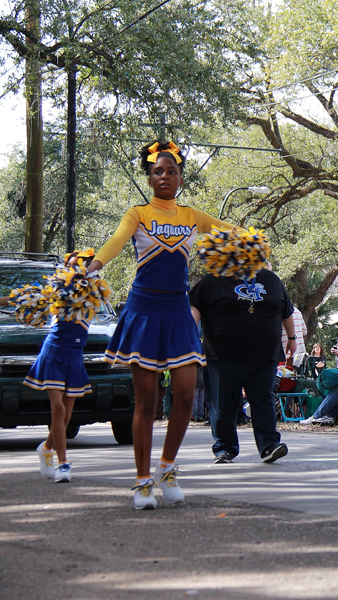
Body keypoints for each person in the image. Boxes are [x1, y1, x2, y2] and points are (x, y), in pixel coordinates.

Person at [87, 140, 239, 510]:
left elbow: (230, 232)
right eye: (158, 171)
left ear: (181, 178)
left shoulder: (192, 216)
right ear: (150, 178)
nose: (165, 176)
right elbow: (117, 240)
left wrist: (252, 242)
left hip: (177, 310)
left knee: (185, 394)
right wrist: (96, 264)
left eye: (172, 171)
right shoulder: (138, 213)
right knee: (147, 400)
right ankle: (142, 481)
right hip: (144, 309)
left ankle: (167, 467)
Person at [190, 266, 295, 465]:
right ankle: (224, 448)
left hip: (264, 355)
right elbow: (195, 306)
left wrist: (292, 337)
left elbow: (285, 310)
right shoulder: (213, 279)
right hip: (223, 356)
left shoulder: (271, 279)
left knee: (263, 399)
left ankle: (269, 445)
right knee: (223, 402)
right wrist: (189, 336)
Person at [7, 252, 93, 483]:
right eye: (74, 265)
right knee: (58, 409)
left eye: (83, 265)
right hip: (54, 352)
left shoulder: (93, 293)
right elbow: (21, 298)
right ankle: (63, 464)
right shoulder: (56, 291)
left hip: (75, 356)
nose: (79, 268)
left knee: (66, 416)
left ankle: (46, 448)